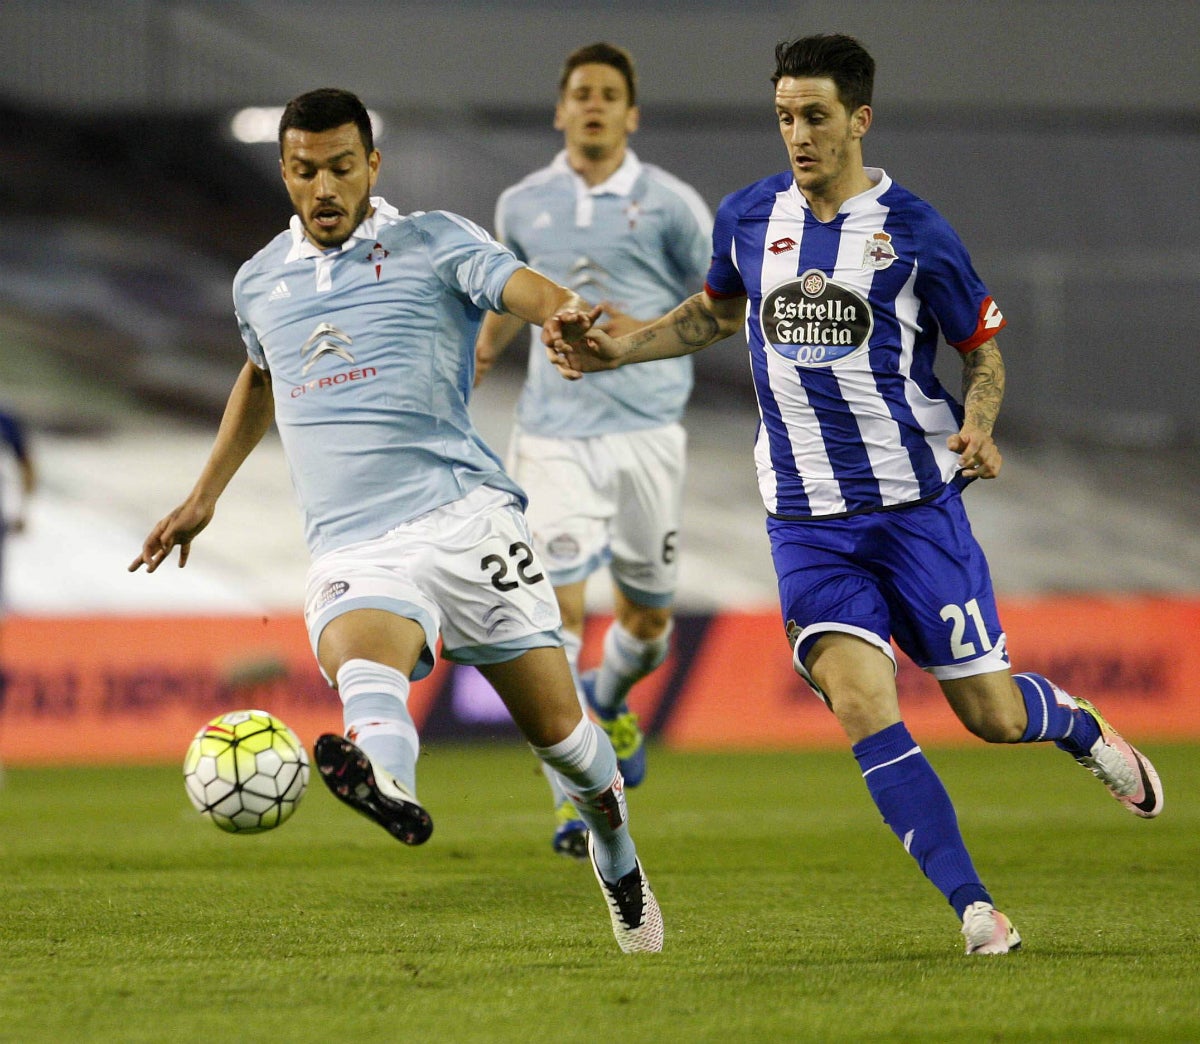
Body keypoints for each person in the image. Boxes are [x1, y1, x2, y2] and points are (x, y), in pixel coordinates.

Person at [547, 33, 1164, 955]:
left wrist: (981, 425)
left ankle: (1075, 726)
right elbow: (718, 312)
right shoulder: (750, 216)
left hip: (918, 511)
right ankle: (975, 909)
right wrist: (620, 347)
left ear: (859, 120)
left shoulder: (916, 231)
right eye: (786, 116)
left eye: (817, 117)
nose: (798, 134)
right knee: (865, 704)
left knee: (990, 716)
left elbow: (980, 351)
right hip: (806, 523)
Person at [129, 88, 662, 953]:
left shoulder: (433, 241)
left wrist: (559, 308)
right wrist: (204, 495)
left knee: (567, 744)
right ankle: (391, 787)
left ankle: (616, 851)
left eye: (342, 167)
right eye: (305, 171)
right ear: (285, 172)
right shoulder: (260, 280)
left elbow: (513, 284)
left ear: (373, 165)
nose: (325, 187)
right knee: (362, 656)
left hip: (466, 520)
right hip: (356, 541)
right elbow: (261, 377)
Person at [475, 43, 713, 859]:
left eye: (610, 95)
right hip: (553, 435)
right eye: (581, 93)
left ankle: (612, 698)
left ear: (631, 113)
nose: (595, 106)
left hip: (648, 432)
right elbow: (509, 285)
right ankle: (581, 798)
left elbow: (717, 298)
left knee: (647, 623)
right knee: (559, 617)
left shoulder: (674, 206)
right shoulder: (523, 202)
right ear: (560, 109)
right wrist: (481, 349)